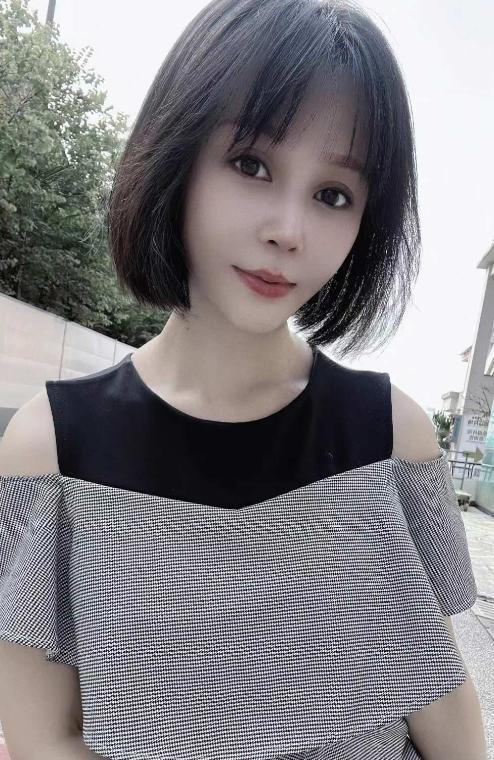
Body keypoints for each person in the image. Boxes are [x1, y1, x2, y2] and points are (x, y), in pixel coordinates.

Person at [0, 0, 487, 759]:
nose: (287, 230)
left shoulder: (391, 436)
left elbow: (440, 702)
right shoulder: (51, 450)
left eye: (333, 194)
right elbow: (41, 740)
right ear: (176, 156)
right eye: (251, 164)